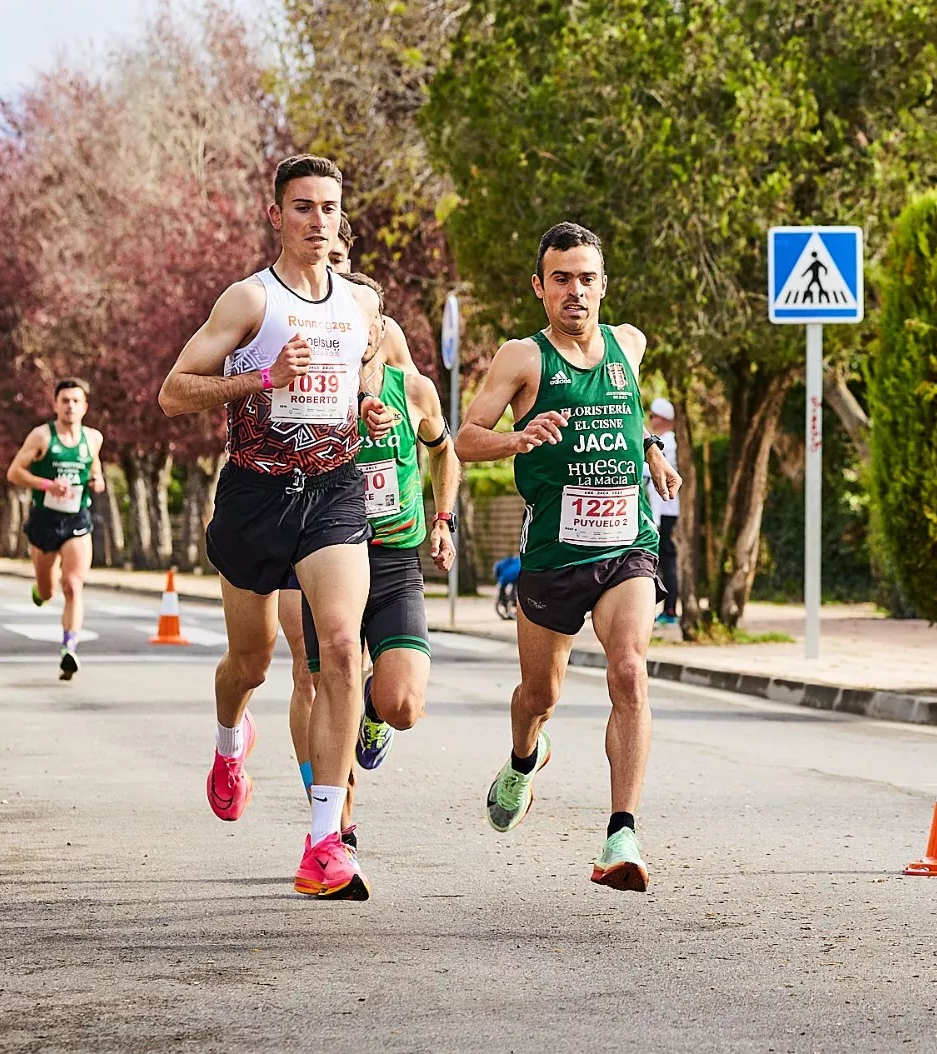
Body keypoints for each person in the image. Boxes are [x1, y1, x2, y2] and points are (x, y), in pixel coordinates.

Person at [157, 153, 392, 901]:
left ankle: (325, 839)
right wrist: (261, 378)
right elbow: (173, 392)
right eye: (303, 207)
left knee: (339, 653)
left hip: (333, 494)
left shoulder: (361, 308)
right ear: (277, 216)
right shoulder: (250, 301)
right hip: (257, 500)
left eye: (329, 208)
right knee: (251, 664)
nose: (318, 221)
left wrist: (371, 406)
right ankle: (231, 740)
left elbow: (370, 374)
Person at [454, 221, 681, 893]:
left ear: (604, 284)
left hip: (626, 545)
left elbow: (626, 414)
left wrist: (650, 452)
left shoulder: (628, 345)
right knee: (540, 694)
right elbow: (466, 439)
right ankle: (525, 758)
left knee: (630, 671)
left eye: (586, 278)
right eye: (561, 279)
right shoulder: (523, 358)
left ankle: (622, 833)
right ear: (540, 288)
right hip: (554, 554)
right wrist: (517, 439)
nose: (575, 291)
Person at [279, 271, 460, 851]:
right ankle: (339, 827)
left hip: (394, 562)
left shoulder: (415, 389)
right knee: (331, 679)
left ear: (380, 328)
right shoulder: (313, 394)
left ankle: (374, 718)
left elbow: (444, 453)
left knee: (402, 704)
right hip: (330, 558)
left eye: (367, 319)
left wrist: (442, 519)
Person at [6, 378, 105, 681]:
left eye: (76, 401)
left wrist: (98, 482)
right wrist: (48, 484)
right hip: (45, 520)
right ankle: (39, 588)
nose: (70, 406)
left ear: (85, 407)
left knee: (73, 585)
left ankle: (69, 649)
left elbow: (95, 470)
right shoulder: (42, 437)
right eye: (64, 401)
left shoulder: (93, 438)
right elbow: (14, 473)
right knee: (49, 591)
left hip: (77, 519)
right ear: (55, 405)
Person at [644, 397, 681, 625]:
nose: (650, 420)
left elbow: (655, 480)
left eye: (653, 416)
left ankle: (670, 610)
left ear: (664, 420)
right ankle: (665, 609)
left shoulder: (667, 444)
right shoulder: (660, 442)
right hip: (657, 512)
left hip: (664, 512)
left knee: (665, 560)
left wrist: (654, 519)